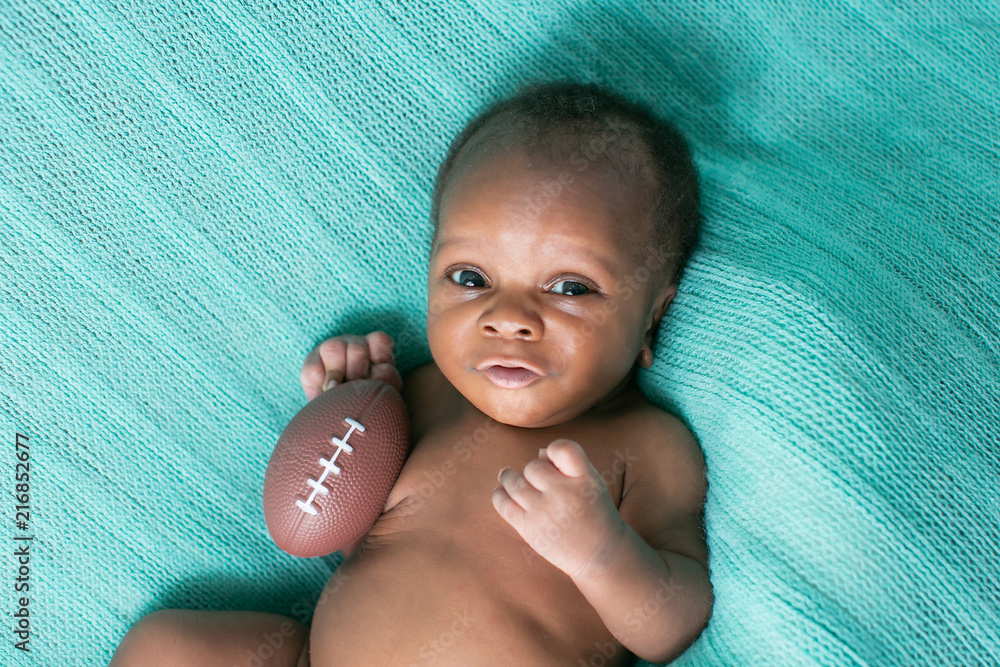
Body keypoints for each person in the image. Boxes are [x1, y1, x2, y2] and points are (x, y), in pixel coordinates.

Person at [111, 80, 712, 666]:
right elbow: (350, 546)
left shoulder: (647, 445)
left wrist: (601, 552)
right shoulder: (417, 397)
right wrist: (341, 413)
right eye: (470, 278)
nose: (507, 319)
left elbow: (671, 627)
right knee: (165, 646)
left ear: (651, 318)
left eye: (569, 287)